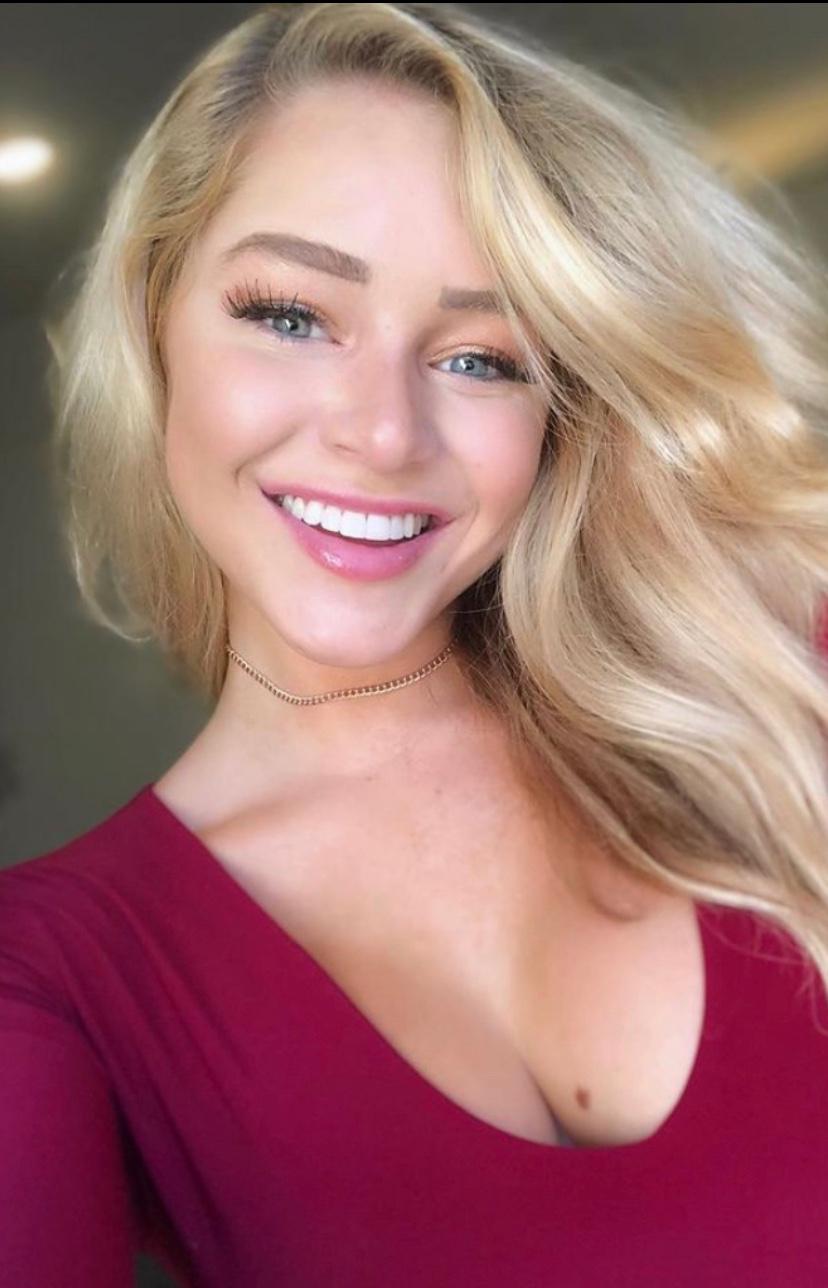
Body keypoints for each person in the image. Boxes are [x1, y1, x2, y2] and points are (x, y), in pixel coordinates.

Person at [4, 2, 828, 1284]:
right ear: (153, 321)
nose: (384, 433)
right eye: (291, 315)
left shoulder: (781, 686)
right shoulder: (52, 976)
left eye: (484, 356)